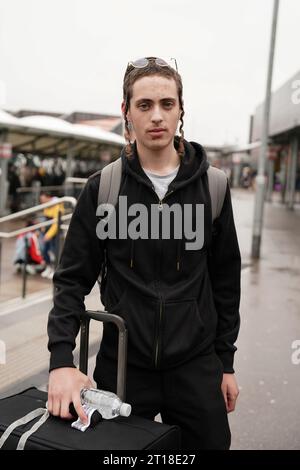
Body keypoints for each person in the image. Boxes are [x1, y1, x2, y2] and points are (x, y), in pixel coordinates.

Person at [47, 57, 241, 450]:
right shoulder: (104, 189)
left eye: (167, 104)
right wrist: (61, 361)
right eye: (144, 105)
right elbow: (71, 280)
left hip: (196, 366)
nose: (157, 116)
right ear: (126, 112)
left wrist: (226, 363)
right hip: (123, 367)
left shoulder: (214, 187)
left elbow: (226, 282)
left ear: (181, 110)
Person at [39, 191, 64, 279]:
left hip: (54, 233)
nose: (42, 201)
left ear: (48, 197)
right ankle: (48, 267)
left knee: (54, 251)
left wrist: (48, 235)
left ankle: (54, 269)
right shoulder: (47, 205)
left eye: (43, 199)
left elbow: (56, 223)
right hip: (47, 231)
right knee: (44, 250)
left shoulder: (57, 205)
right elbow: (45, 218)